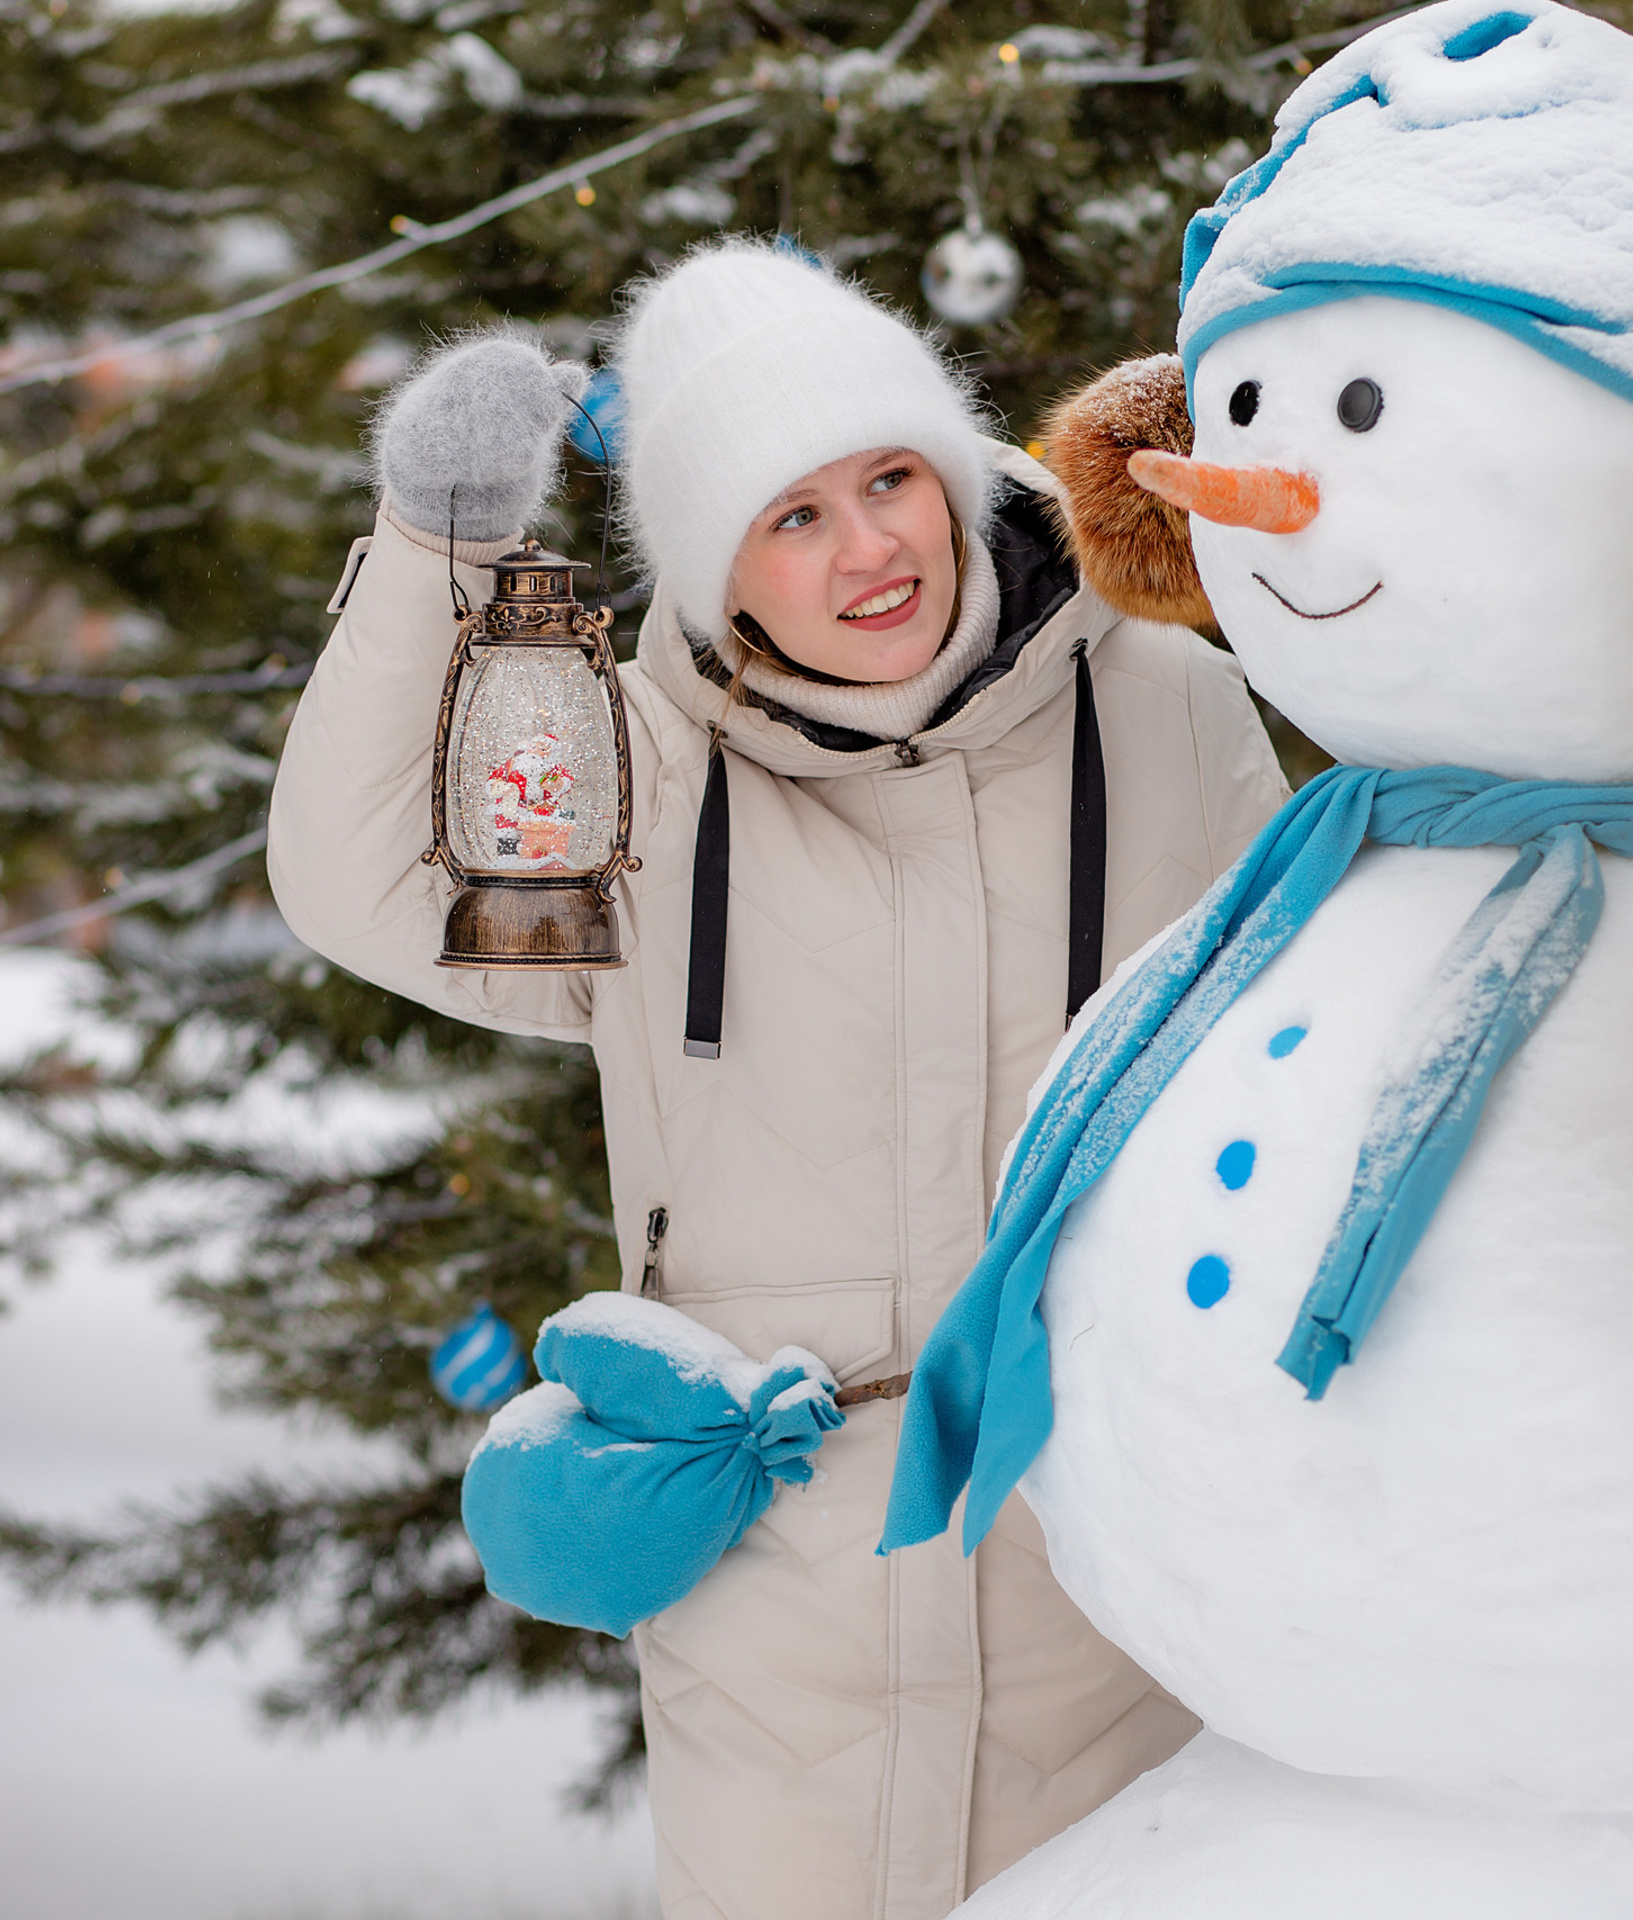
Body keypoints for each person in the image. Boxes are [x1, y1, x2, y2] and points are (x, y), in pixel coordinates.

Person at [267, 238, 1286, 1920]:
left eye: (891, 478)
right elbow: (366, 881)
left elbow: (1286, 1045)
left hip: (1112, 1561)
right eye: (790, 514)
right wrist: (441, 547)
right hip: (772, 1595)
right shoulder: (635, 771)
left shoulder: (1166, 699)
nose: (870, 548)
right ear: (716, 566)